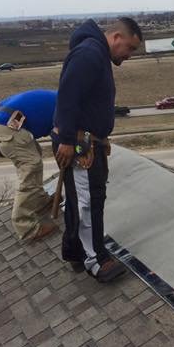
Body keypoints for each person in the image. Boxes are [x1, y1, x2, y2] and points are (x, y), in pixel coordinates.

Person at [52, 17, 142, 282]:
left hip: (89, 140)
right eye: (129, 48)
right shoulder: (89, 54)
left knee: (88, 196)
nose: (129, 56)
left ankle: (75, 251)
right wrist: (68, 140)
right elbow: (68, 97)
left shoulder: (96, 55)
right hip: (79, 142)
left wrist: (102, 137)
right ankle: (96, 259)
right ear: (116, 37)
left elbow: (89, 102)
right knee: (87, 201)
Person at [0, 89, 58, 241]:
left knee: (34, 155)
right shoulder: (69, 107)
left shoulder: (58, 97)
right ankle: (27, 227)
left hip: (1, 123)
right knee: (31, 167)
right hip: (8, 128)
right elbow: (62, 139)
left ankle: (39, 200)